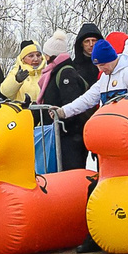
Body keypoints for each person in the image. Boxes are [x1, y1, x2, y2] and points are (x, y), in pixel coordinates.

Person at [39, 22, 107, 170]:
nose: (90, 45)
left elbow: (71, 100)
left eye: (94, 41)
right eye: (86, 41)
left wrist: (63, 119)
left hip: (79, 128)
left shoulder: (67, 71)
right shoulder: (72, 67)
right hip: (71, 129)